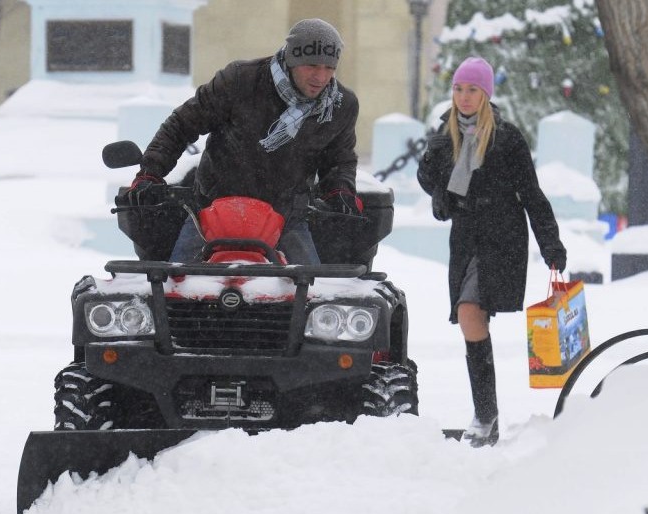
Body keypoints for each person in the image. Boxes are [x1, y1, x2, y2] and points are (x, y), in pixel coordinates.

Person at [417, 56, 566, 447]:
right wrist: (437, 188)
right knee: (471, 316)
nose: (464, 97)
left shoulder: (506, 138)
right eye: (458, 89)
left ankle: (484, 415)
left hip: (501, 237)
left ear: (485, 94)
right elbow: (429, 178)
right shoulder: (445, 135)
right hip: (466, 238)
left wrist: (551, 243)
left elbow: (531, 194)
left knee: (470, 310)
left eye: (472, 90)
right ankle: (487, 413)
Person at [130, 18, 362, 265]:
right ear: (292, 59)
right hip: (212, 215)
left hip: (287, 219)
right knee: (176, 283)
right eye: (312, 65)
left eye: (329, 68)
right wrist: (150, 172)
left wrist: (340, 191)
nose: (321, 76)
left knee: (314, 287)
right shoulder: (239, 80)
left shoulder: (342, 106)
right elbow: (181, 125)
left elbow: (339, 160)